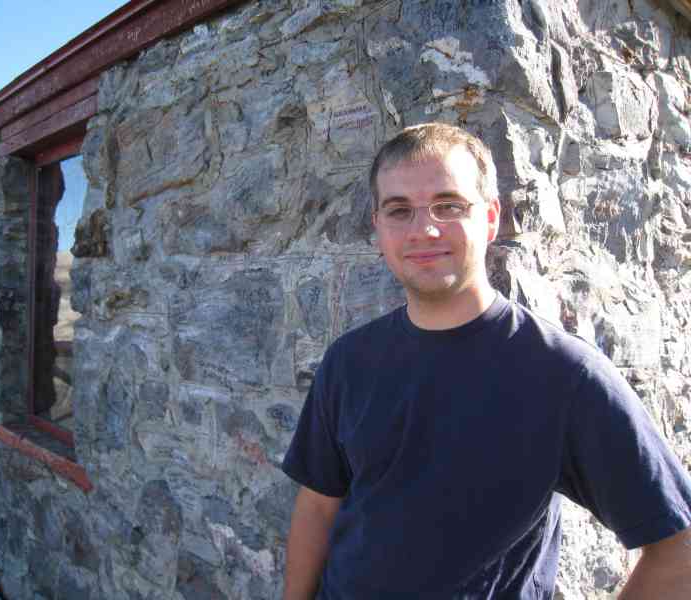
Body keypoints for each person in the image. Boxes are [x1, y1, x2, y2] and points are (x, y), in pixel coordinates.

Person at [281, 123, 691, 599]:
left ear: (491, 218)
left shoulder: (561, 374)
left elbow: (679, 545)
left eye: (449, 205)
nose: (424, 228)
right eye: (399, 210)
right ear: (378, 227)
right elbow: (317, 506)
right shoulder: (348, 362)